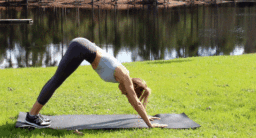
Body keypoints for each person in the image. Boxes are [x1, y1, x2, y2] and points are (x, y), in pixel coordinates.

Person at [25, 37, 167, 128]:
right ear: (132, 89)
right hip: (81, 48)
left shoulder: (124, 78)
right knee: (56, 80)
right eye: (128, 94)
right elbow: (136, 102)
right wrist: (149, 125)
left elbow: (134, 102)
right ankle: (32, 116)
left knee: (56, 80)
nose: (124, 95)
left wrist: (145, 115)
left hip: (82, 46)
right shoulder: (124, 77)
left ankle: (34, 114)